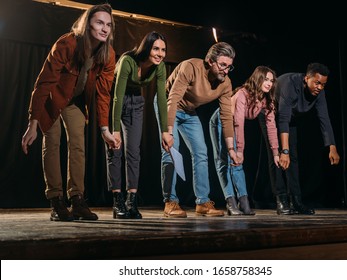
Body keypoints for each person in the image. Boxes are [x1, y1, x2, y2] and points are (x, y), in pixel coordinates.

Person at [21, 4, 117, 221]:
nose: (104, 29)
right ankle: (56, 200)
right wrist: (33, 121)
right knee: (52, 143)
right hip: (52, 98)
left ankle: (77, 199)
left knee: (78, 145)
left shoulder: (108, 54)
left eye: (108, 25)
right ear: (87, 24)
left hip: (74, 101)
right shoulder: (67, 43)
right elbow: (44, 82)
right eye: (99, 23)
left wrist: (104, 129)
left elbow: (103, 94)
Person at [154, 41, 238, 218]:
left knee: (201, 152)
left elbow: (226, 116)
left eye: (229, 66)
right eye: (222, 65)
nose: (226, 70)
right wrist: (168, 133)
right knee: (169, 151)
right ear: (210, 61)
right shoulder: (190, 66)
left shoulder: (226, 83)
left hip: (189, 112)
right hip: (167, 104)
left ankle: (202, 202)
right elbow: (172, 98)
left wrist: (231, 149)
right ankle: (170, 201)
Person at [106, 31, 173, 219]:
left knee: (134, 152)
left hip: (136, 103)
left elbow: (161, 99)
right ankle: (117, 200)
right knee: (115, 150)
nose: (160, 53)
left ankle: (131, 201)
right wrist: (116, 130)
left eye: (163, 50)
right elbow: (117, 96)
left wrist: (165, 131)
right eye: (156, 49)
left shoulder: (159, 68)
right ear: (147, 48)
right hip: (115, 103)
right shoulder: (128, 61)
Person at [266, 62, 340, 215]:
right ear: (307, 78)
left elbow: (324, 119)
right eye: (317, 83)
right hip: (270, 113)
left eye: (323, 85)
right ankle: (281, 200)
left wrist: (332, 147)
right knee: (276, 155)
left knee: (293, 158)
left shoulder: (319, 93)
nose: (320, 87)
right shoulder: (290, 85)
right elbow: (282, 119)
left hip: (290, 118)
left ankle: (296, 200)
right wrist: (283, 150)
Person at [209, 66, 280, 216]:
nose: (269, 83)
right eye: (266, 79)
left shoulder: (266, 99)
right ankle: (231, 202)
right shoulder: (243, 94)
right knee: (225, 162)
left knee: (237, 164)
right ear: (258, 78)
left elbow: (271, 127)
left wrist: (276, 152)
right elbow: (238, 123)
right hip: (222, 120)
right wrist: (239, 150)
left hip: (234, 124)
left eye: (271, 81)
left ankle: (244, 202)